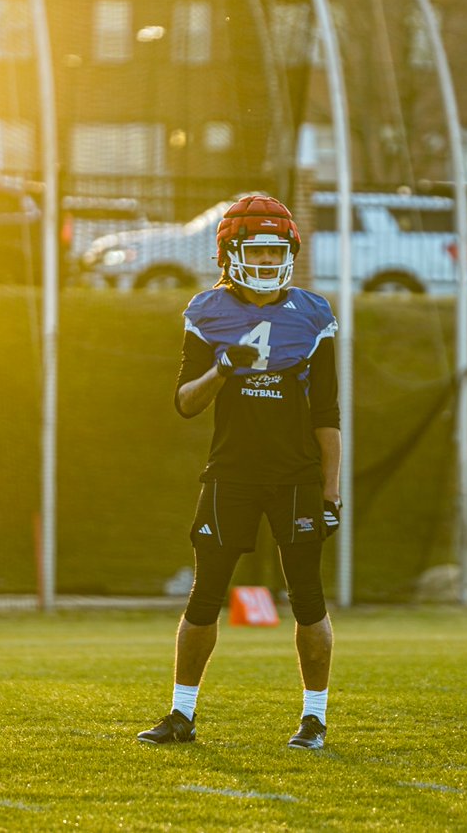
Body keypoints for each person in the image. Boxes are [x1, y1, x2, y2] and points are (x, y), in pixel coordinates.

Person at [137, 193, 342, 751]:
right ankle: (181, 715)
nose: (268, 262)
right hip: (231, 473)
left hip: (297, 476)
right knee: (205, 596)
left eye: (278, 251)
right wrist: (225, 368)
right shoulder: (207, 311)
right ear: (229, 253)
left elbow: (326, 414)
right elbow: (185, 402)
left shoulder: (315, 315)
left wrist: (331, 494)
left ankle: (315, 720)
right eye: (256, 250)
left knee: (307, 596)